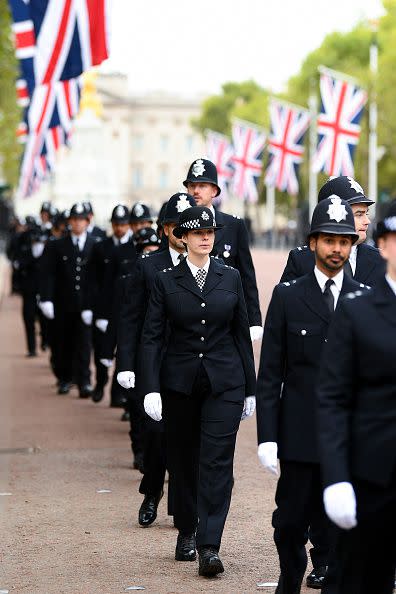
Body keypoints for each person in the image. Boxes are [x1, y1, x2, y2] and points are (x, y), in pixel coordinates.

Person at [256, 196, 369, 594]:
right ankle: (289, 580)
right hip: (299, 436)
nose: (337, 248)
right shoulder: (287, 296)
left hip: (347, 439)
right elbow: (270, 374)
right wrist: (267, 437)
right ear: (312, 243)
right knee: (288, 524)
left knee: (342, 528)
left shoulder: (365, 298)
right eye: (329, 240)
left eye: (344, 240)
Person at [140, 205, 256, 577]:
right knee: (184, 459)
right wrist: (150, 387)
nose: (206, 237)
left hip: (225, 381)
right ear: (183, 237)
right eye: (197, 232)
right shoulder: (165, 280)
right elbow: (152, 336)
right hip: (180, 382)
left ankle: (210, 545)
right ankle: (187, 528)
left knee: (217, 461)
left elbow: (240, 335)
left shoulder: (231, 276)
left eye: (210, 232)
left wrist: (250, 389)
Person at [317, 199, 396, 594]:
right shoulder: (357, 311)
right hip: (373, 478)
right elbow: (332, 399)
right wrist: (336, 479)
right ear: (382, 245)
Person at [117, 192, 196, 526]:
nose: (179, 231)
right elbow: (131, 317)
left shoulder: (203, 265)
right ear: (165, 230)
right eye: (173, 226)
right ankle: (152, 490)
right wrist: (126, 365)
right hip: (154, 362)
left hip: (190, 363)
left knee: (186, 437)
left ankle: (181, 506)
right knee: (156, 433)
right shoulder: (148, 265)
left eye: (184, 226)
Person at [183, 158, 262, 340]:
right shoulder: (177, 225)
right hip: (186, 316)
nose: (195, 191)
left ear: (215, 191)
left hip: (227, 318)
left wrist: (254, 320)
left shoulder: (234, 225)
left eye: (202, 185)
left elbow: (247, 276)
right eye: (192, 185)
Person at [281, 176, 385, 287]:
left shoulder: (379, 259)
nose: (367, 221)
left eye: (366, 213)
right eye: (359, 214)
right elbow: (287, 301)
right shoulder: (301, 259)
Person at [39, 202, 96, 397]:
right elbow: (48, 274)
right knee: (62, 343)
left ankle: (84, 382)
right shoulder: (57, 245)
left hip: (85, 305)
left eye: (81, 219)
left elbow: (98, 278)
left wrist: (93, 304)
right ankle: (64, 379)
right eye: (74, 219)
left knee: (84, 345)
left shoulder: (95, 244)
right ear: (69, 222)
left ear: (87, 221)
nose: (78, 223)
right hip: (63, 304)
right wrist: (46, 299)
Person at [89, 204, 132, 403]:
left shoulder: (135, 248)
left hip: (124, 309)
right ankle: (100, 382)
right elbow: (98, 283)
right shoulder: (100, 247)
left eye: (123, 224)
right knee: (101, 350)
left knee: (122, 352)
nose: (119, 228)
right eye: (116, 224)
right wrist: (97, 312)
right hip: (105, 307)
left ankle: (117, 394)